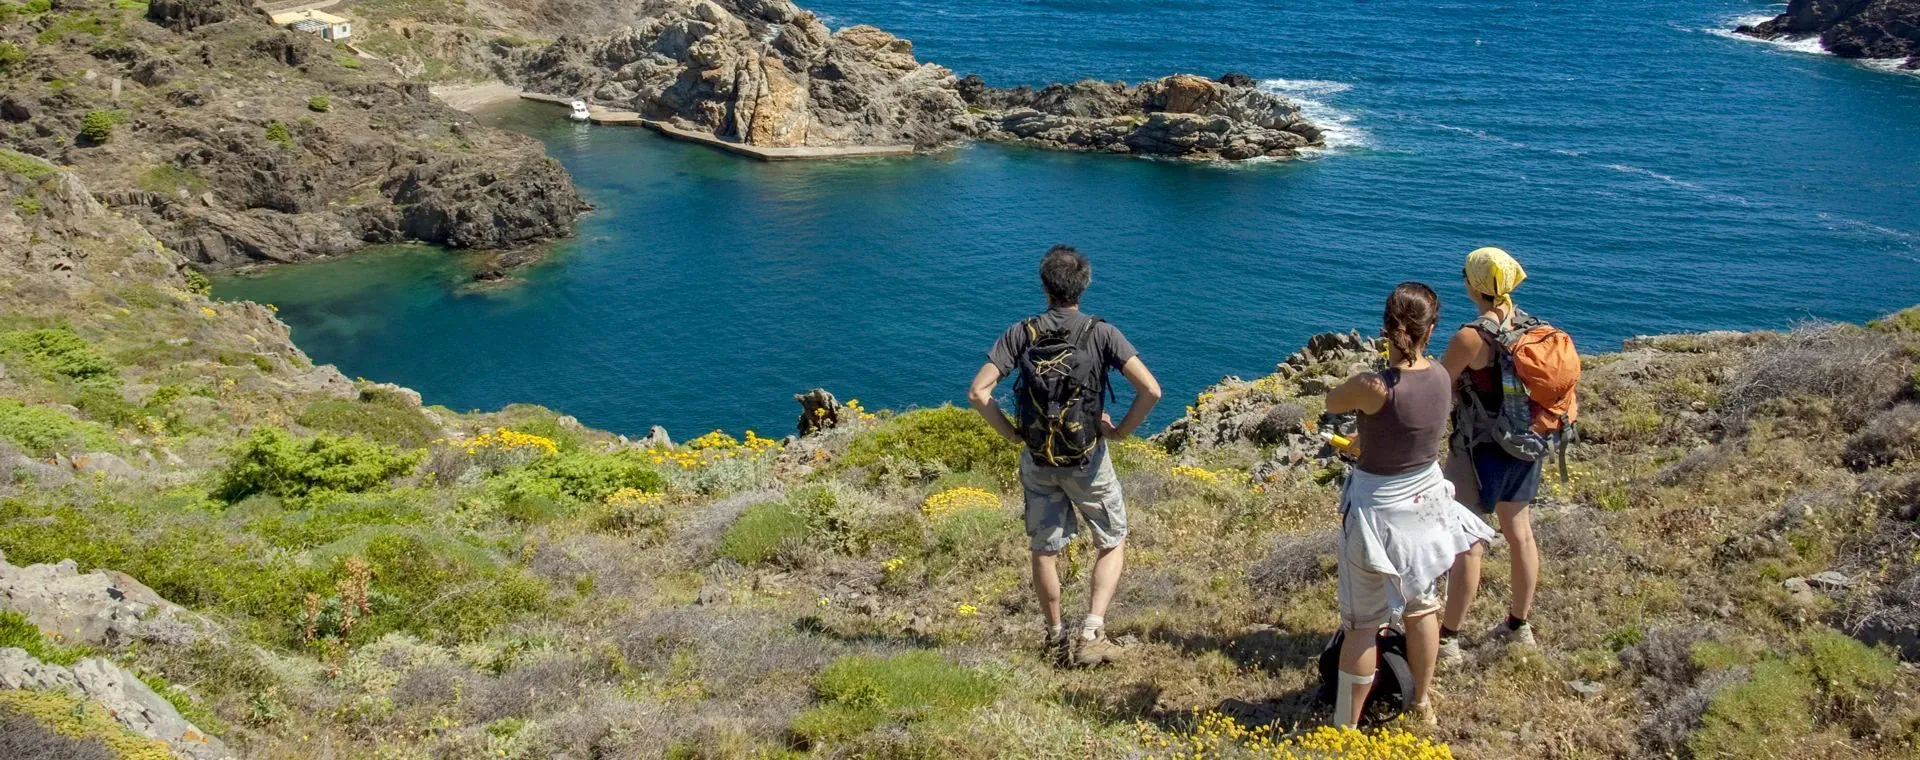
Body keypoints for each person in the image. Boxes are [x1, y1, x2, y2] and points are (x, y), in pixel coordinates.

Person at [967, 244, 1162, 667]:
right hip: (1088, 459)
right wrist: (1120, 432)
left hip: (1038, 458)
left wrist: (1011, 434)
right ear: (1084, 286)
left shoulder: (1021, 333)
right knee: (1112, 539)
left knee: (1044, 549)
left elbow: (978, 392)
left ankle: (1055, 636)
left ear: (1045, 286)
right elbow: (1151, 390)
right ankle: (1091, 632)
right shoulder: (1101, 333)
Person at [1325, 282, 1496, 726]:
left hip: (1375, 515)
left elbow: (1332, 401)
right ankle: (1422, 702)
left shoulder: (1372, 386)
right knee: (1422, 608)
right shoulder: (1441, 375)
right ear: (1431, 329)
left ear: (1386, 328)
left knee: (1363, 625)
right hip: (1424, 510)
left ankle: (1345, 727)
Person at [1438, 246, 1544, 664]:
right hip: (1526, 445)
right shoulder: (1533, 327)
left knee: (1468, 543)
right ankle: (1519, 626)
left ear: (1474, 285)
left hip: (1479, 449)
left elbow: (1440, 388)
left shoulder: (1470, 337)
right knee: (1521, 535)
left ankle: (1448, 638)